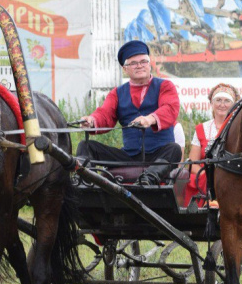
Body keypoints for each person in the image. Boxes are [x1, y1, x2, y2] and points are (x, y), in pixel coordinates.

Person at [77, 40, 181, 181]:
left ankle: (148, 178)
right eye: (133, 63)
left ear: (150, 64)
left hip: (158, 154)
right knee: (86, 146)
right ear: (125, 69)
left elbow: (170, 108)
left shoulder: (165, 86)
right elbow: (105, 114)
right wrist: (91, 121)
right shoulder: (117, 93)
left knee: (174, 149)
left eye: (143, 61)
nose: (139, 66)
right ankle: (84, 183)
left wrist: (149, 119)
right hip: (128, 156)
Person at [183, 83, 240, 207]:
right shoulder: (201, 128)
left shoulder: (240, 129)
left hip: (232, 174)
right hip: (206, 177)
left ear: (234, 105)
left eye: (227, 101)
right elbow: (192, 164)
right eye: (218, 100)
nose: (222, 104)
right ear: (212, 103)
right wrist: (208, 174)